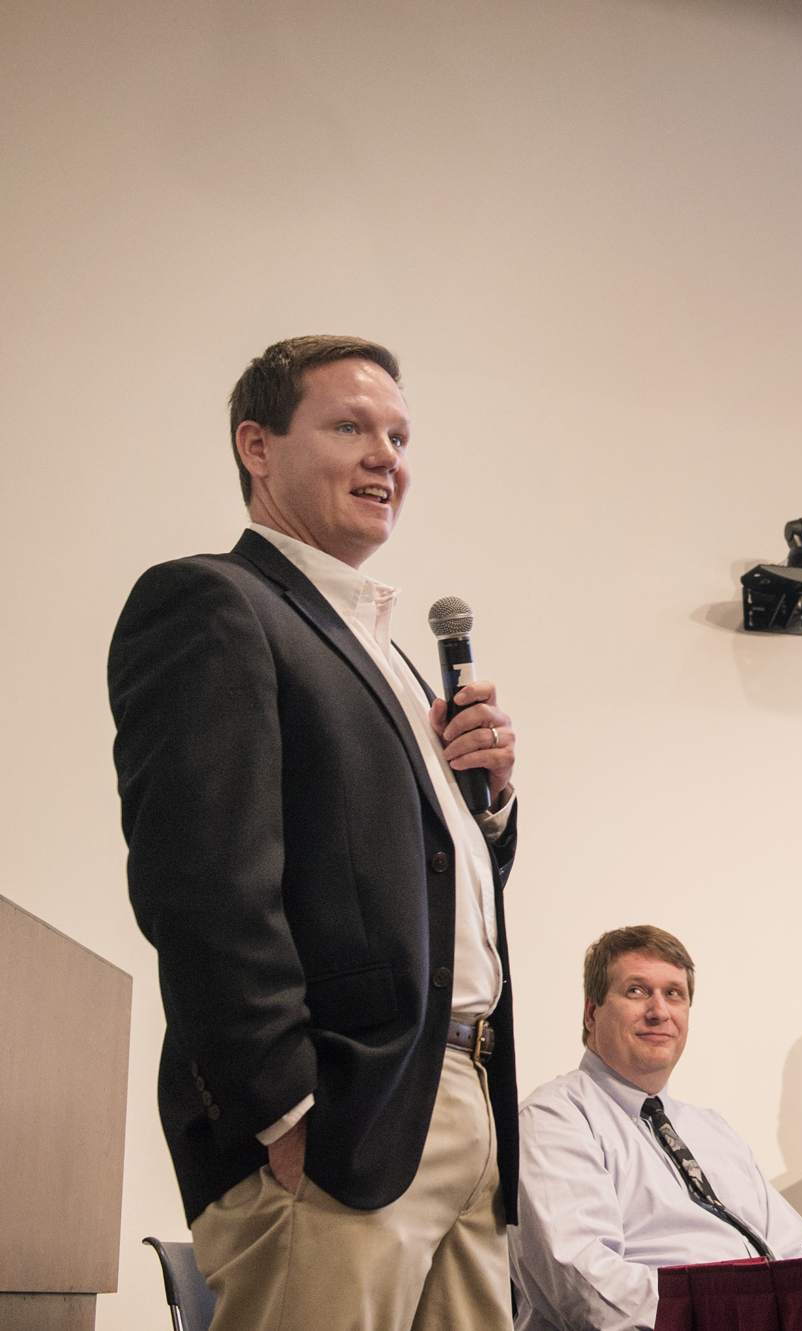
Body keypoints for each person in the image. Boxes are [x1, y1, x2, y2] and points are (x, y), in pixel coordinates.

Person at [109, 336, 523, 1329]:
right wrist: (285, 1111)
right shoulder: (215, 602)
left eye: (399, 434)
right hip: (340, 1114)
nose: (387, 455)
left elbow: (429, 881)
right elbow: (201, 882)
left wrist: (491, 802)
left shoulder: (384, 652)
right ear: (258, 445)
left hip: (459, 1093)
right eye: (349, 426)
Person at [511, 926, 802, 1330]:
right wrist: (733, 1315)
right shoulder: (555, 1117)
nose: (660, 1011)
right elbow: (587, 1289)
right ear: (591, 1013)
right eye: (637, 991)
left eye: (674, 994)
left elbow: (798, 1249)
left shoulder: (712, 1128)